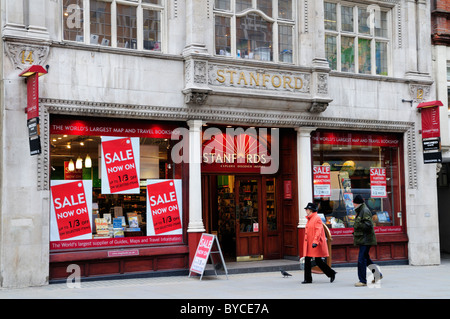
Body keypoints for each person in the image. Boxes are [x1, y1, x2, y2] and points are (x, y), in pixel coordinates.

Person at [302, 202, 337, 284]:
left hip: (315, 244)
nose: (306, 210)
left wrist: (315, 242)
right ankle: (308, 279)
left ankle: (331, 273)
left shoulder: (316, 218)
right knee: (308, 260)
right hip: (310, 244)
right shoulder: (310, 218)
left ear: (310, 210)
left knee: (318, 261)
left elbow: (318, 231)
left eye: (307, 209)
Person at [352, 195, 381, 287]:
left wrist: (358, 226)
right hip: (363, 239)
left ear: (357, 203)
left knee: (361, 260)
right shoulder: (361, 210)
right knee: (366, 258)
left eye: (354, 203)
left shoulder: (364, 211)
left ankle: (362, 280)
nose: (353, 204)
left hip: (366, 239)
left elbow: (368, 225)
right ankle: (377, 274)